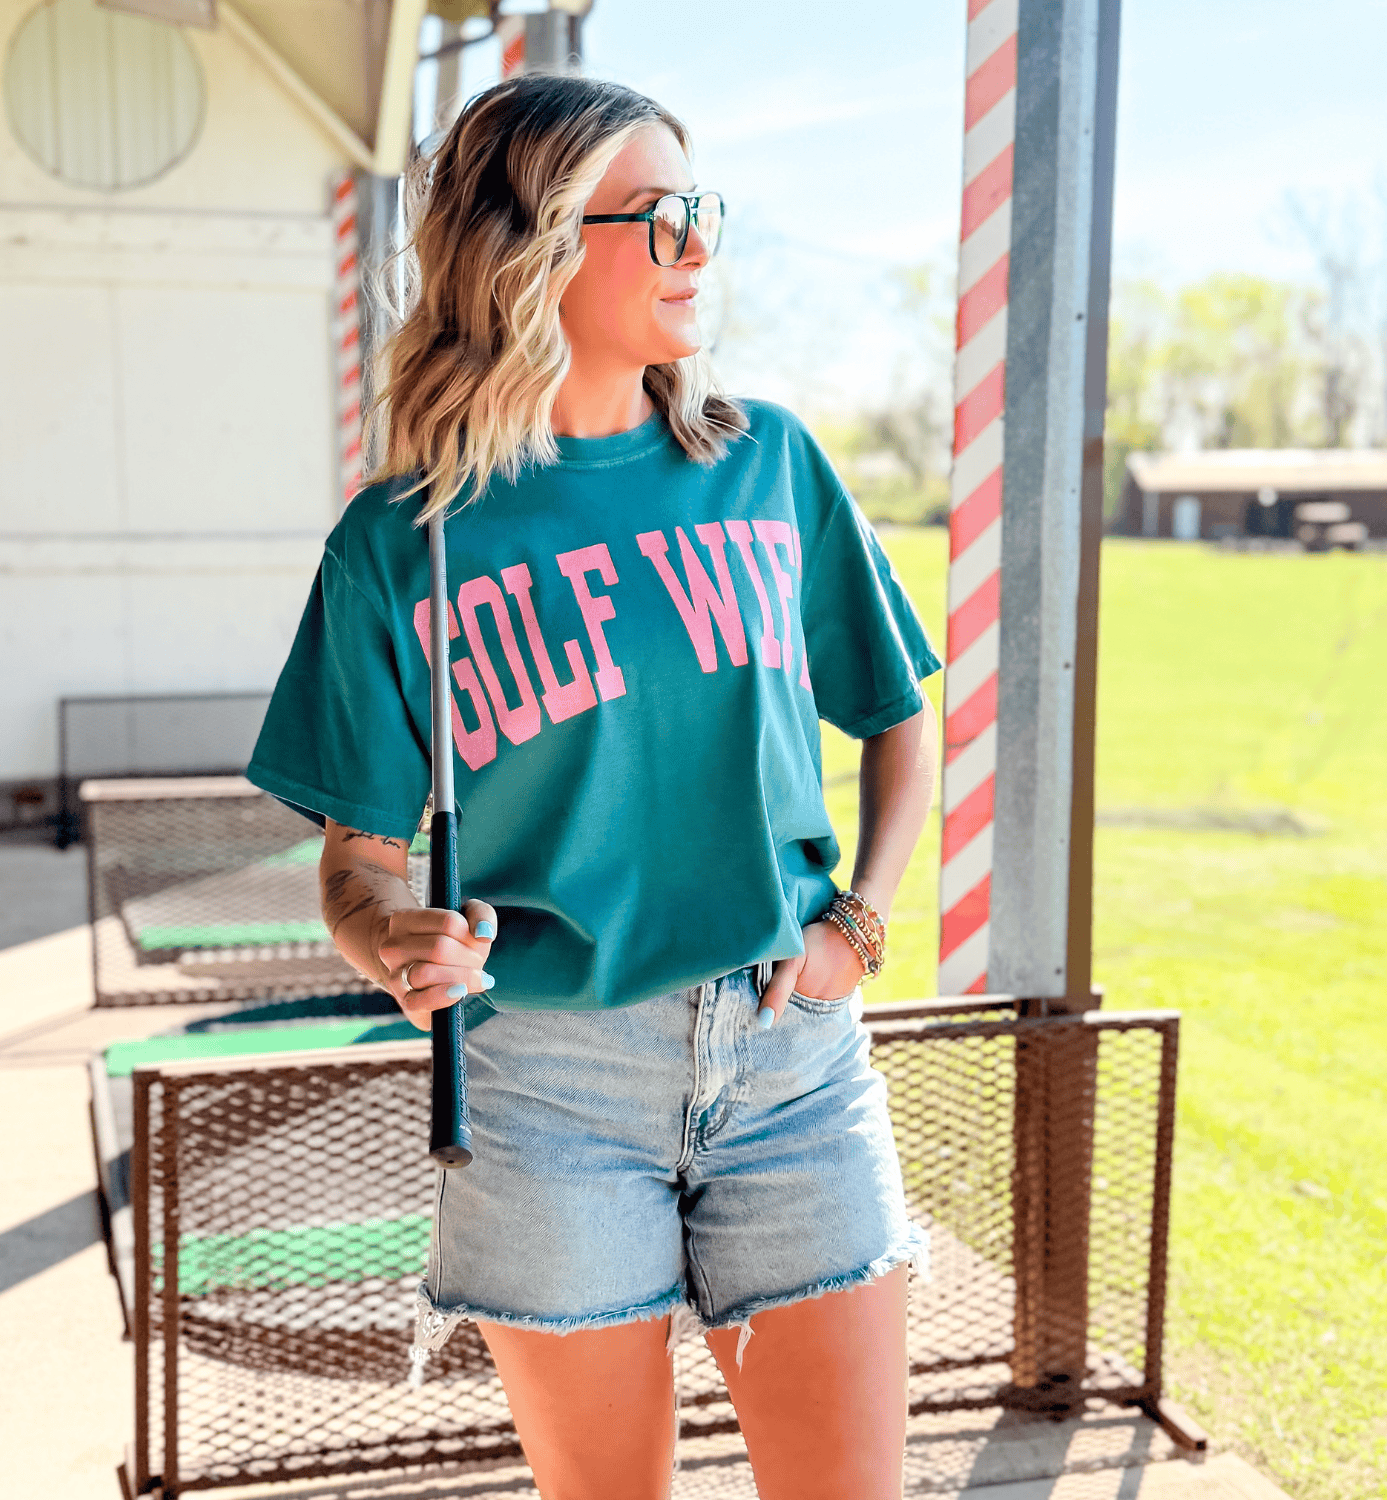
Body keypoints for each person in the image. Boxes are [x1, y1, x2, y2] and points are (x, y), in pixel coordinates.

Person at [248, 73, 941, 1500]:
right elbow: (357, 860)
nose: (702, 248)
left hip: (788, 1058)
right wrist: (388, 937)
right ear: (538, 246)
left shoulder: (768, 468)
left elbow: (899, 720)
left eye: (708, 213)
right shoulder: (405, 540)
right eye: (665, 216)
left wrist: (853, 932)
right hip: (546, 1086)